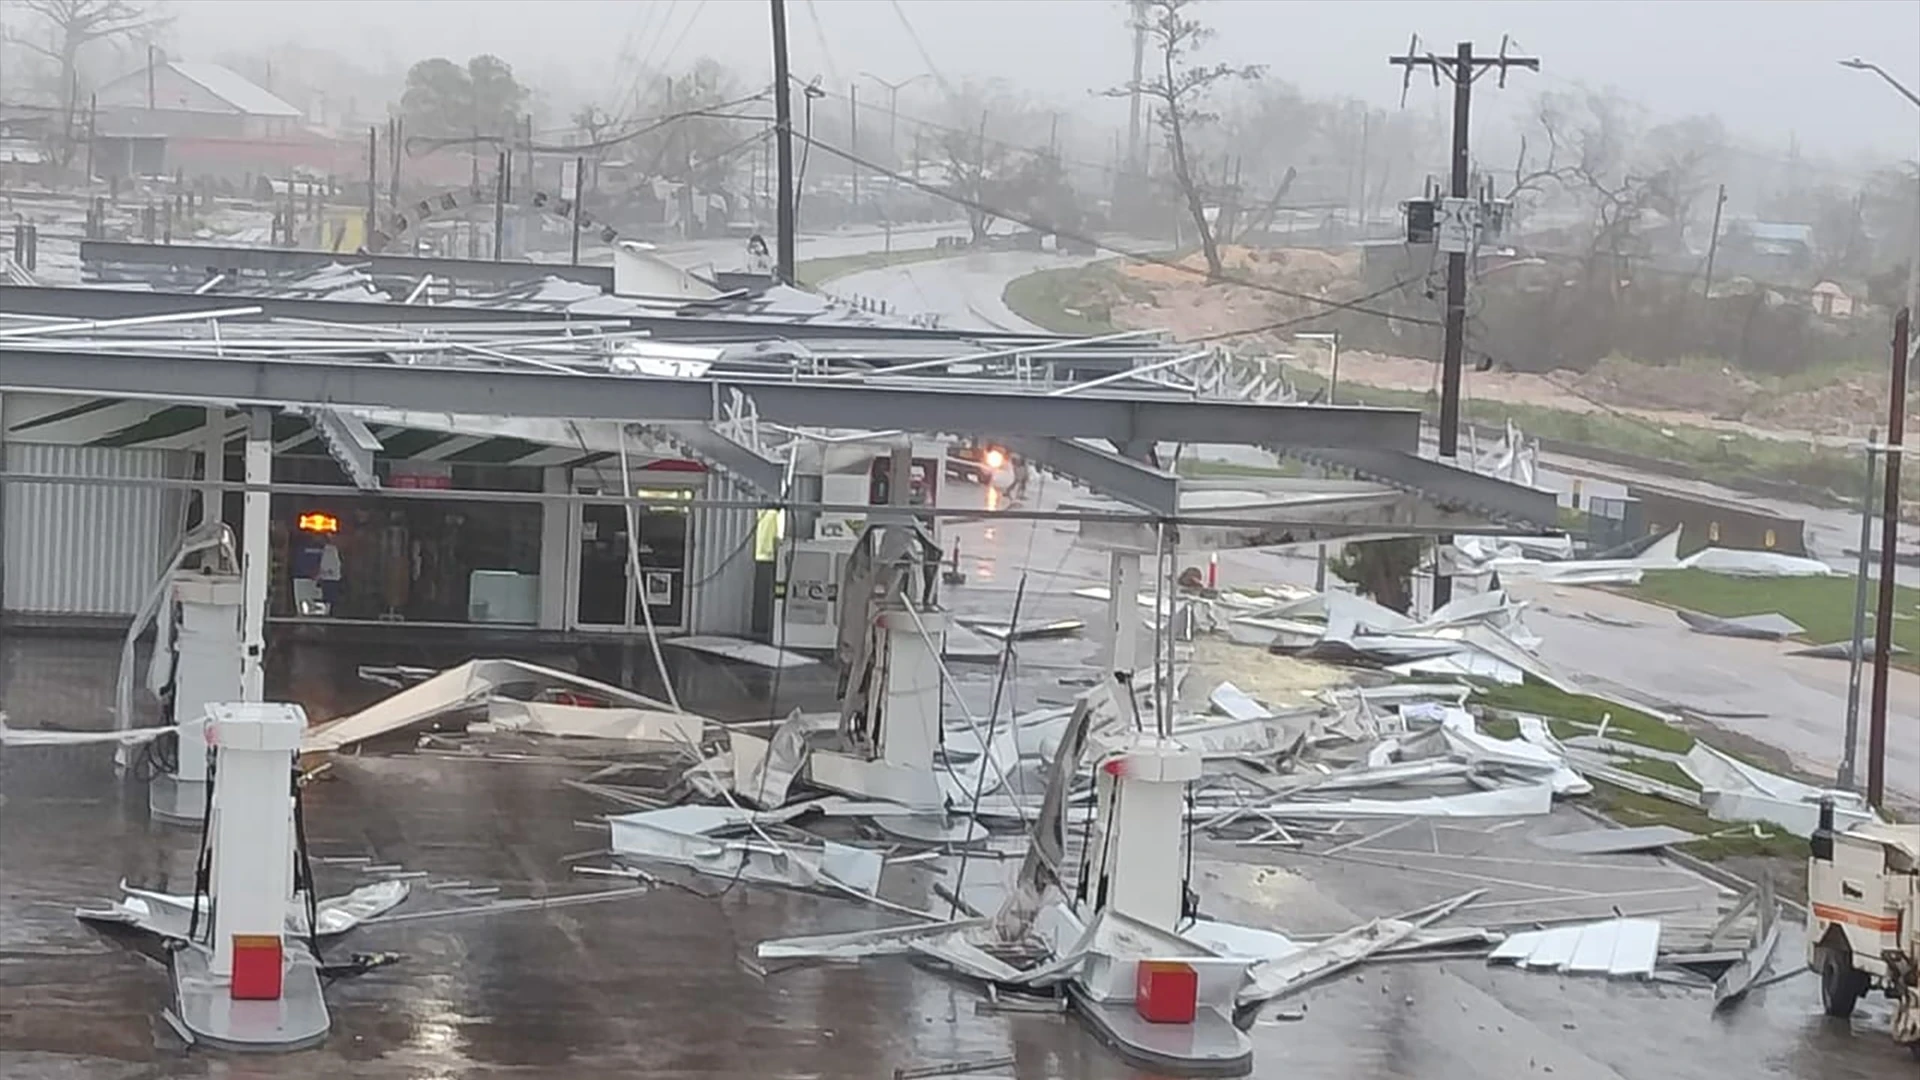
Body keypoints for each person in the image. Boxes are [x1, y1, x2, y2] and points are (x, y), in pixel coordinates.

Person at [317, 537, 343, 612]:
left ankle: (329, 611)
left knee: (329, 600)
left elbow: (330, 566)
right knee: (328, 600)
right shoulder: (330, 550)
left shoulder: (330, 550)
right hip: (331, 579)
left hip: (331, 579)